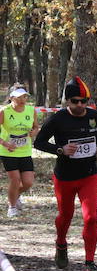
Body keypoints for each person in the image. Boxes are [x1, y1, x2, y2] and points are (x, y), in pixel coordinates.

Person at [34, 77, 97, 271]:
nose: (80, 105)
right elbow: (39, 143)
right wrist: (60, 149)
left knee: (91, 218)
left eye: (84, 101)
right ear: (67, 101)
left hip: (89, 176)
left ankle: (89, 263)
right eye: (75, 101)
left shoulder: (95, 116)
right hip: (65, 177)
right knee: (65, 216)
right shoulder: (58, 119)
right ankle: (61, 243)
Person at [1, 84, 39, 217]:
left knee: (28, 182)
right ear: (11, 98)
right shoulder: (4, 111)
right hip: (8, 151)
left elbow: (35, 127)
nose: (23, 98)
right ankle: (12, 207)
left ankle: (15, 195)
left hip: (25, 151)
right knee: (15, 179)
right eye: (19, 96)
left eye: (24, 96)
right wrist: (5, 143)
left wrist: (33, 132)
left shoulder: (31, 110)